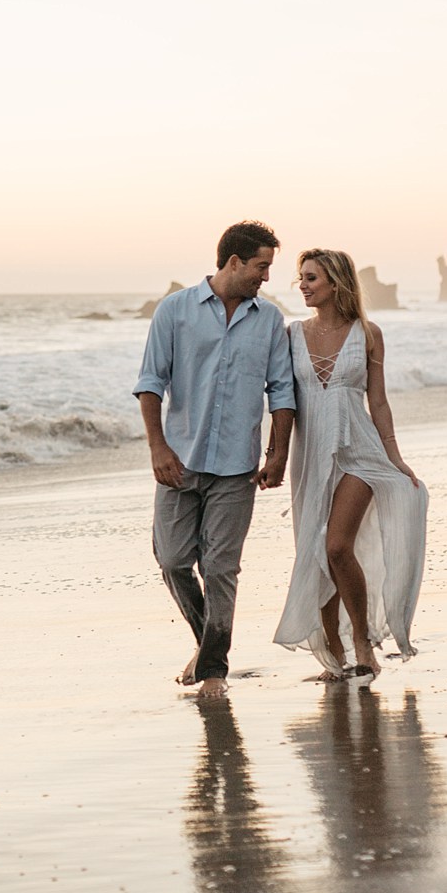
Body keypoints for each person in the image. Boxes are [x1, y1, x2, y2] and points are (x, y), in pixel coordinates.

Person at [134, 220, 296, 700]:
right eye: (261, 266)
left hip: (237, 467)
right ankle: (208, 645)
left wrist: (277, 453)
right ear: (234, 262)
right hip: (179, 460)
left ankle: (213, 671)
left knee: (222, 568)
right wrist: (158, 447)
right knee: (173, 559)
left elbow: (281, 390)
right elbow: (150, 382)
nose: (266, 277)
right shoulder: (176, 311)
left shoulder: (268, 320)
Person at [273, 248, 427, 684]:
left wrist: (394, 458)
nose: (302, 285)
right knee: (316, 551)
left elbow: (377, 400)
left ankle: (361, 640)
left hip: (361, 451)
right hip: (311, 456)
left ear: (336, 283)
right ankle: (334, 653)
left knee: (337, 546)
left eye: (311, 278)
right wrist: (274, 454)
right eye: (300, 278)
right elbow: (281, 400)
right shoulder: (291, 335)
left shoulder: (368, 333)